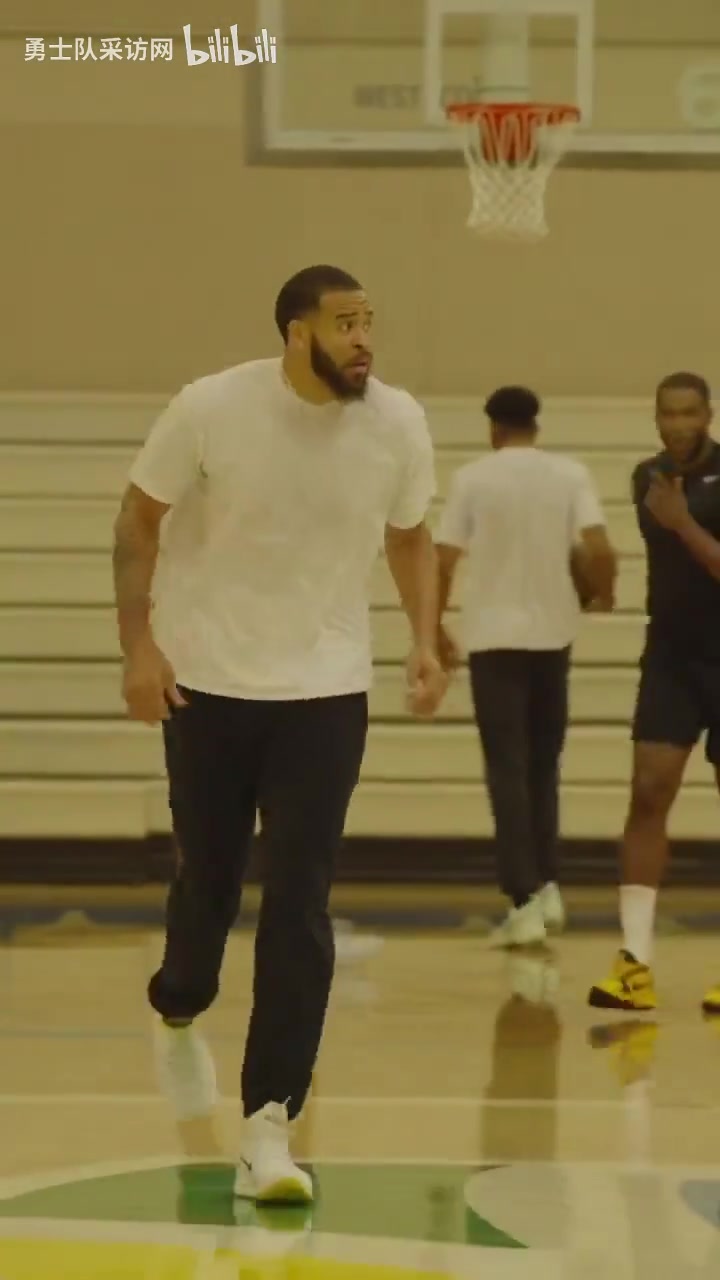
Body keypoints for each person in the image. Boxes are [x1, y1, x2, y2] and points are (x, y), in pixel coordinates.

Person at [112, 264, 446, 1204]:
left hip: (326, 690)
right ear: (297, 333)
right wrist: (139, 646)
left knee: (300, 900)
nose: (364, 339)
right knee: (210, 880)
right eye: (345, 323)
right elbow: (139, 520)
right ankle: (179, 1001)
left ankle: (268, 1123)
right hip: (206, 683)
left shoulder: (399, 422)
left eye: (369, 320)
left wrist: (425, 638)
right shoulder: (210, 407)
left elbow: (410, 536)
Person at [435, 386, 616, 947]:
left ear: (494, 427)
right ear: (536, 424)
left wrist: (432, 625)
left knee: (506, 769)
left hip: (494, 639)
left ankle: (523, 900)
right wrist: (603, 592)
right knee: (543, 766)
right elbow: (599, 547)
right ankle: (550, 884)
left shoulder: (473, 478)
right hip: (553, 636)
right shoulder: (570, 474)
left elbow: (443, 558)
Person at [589, 372, 720, 1015]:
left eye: (689, 413)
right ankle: (635, 962)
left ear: (708, 415)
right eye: (668, 414)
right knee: (647, 792)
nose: (678, 425)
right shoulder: (646, 477)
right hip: (670, 659)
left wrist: (683, 522)